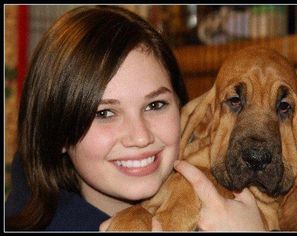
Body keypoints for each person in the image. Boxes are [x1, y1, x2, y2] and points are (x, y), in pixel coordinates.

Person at [5, 5, 265, 231]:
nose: (141, 136)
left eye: (155, 105)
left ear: (183, 108)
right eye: (104, 113)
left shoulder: (242, 209)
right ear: (58, 131)